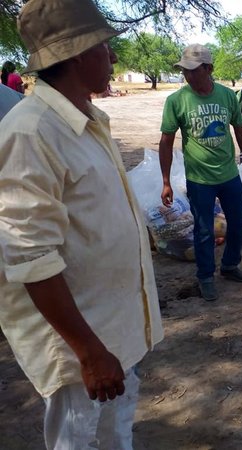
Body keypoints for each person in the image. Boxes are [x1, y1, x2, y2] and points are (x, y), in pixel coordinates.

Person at [0, 0, 164, 448]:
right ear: (76, 54)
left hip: (111, 332)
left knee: (115, 437)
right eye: (105, 47)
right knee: (82, 441)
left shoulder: (88, 121)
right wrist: (88, 351)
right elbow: (31, 256)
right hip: (81, 350)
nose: (112, 58)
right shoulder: (31, 133)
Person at [159, 44, 242, 302]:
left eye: (193, 71)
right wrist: (165, 181)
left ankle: (229, 266)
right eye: (184, 71)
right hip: (199, 180)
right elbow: (166, 141)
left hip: (229, 175)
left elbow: (240, 133)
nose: (188, 76)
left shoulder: (227, 97)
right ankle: (205, 276)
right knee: (204, 230)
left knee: (239, 223)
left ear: (209, 69)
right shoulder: (176, 101)